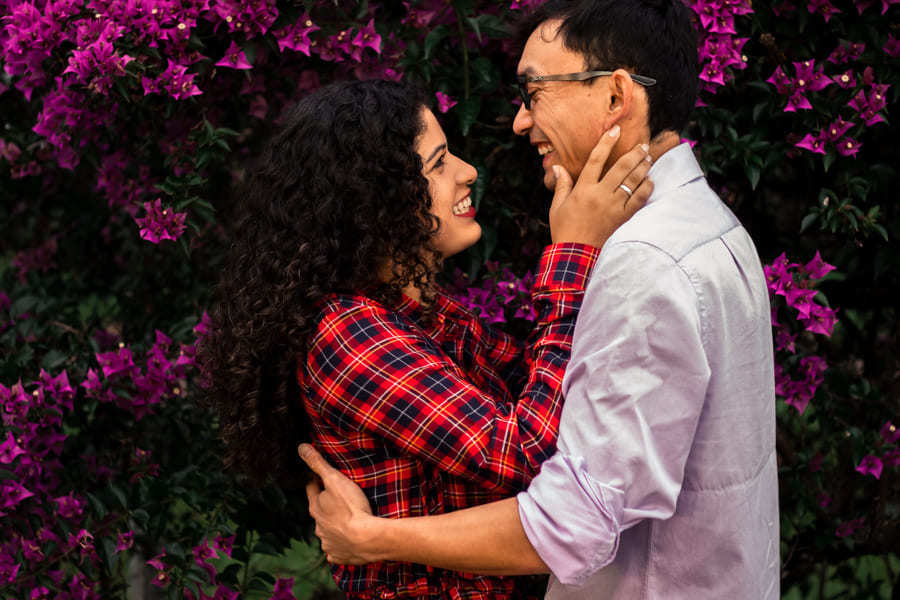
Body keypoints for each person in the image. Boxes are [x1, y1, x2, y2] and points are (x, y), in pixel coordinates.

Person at [298, 1, 780, 599]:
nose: (520, 123)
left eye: (534, 92)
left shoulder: (644, 261)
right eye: (441, 162)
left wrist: (373, 538)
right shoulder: (704, 225)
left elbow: (561, 508)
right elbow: (542, 417)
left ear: (615, 97)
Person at [201, 78, 652, 599]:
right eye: (438, 164)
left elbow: (550, 389)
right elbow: (522, 451)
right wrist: (572, 253)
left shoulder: (418, 317)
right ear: (376, 197)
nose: (468, 173)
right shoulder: (351, 335)